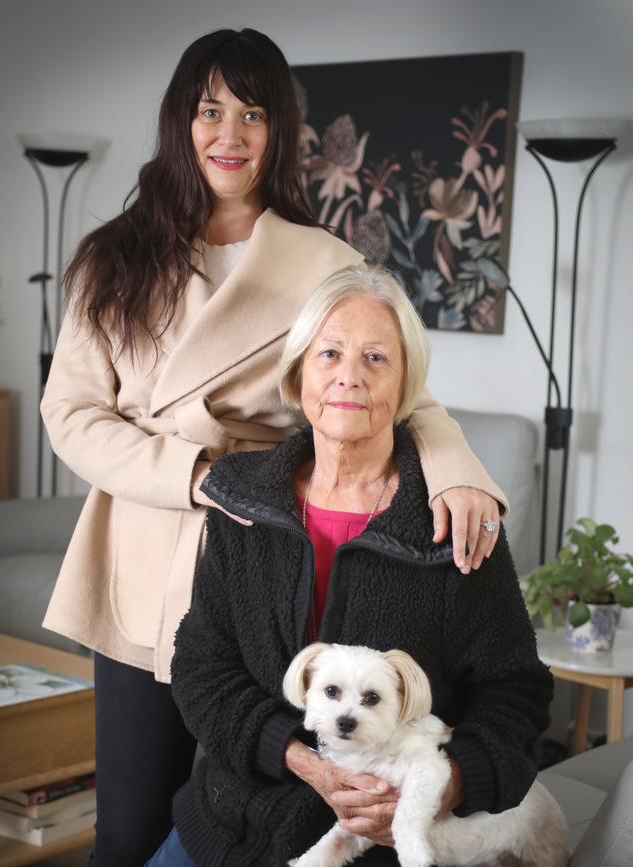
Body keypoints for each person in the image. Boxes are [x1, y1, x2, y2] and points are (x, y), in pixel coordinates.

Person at [41, 29, 507, 867]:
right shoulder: (116, 255)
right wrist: (192, 473)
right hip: (146, 539)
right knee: (126, 829)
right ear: (180, 121)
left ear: (279, 129)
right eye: (209, 109)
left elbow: (401, 387)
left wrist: (462, 473)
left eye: (252, 113)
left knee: (260, 812)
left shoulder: (324, 259)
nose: (229, 134)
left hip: (266, 555)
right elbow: (71, 411)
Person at [147, 265, 553, 867]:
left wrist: (447, 787)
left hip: (390, 837)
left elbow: (516, 691)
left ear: (406, 381)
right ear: (298, 374)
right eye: (329, 353)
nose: (349, 377)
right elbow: (203, 666)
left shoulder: (454, 521)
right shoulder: (242, 506)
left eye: (376, 359)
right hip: (242, 814)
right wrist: (300, 759)